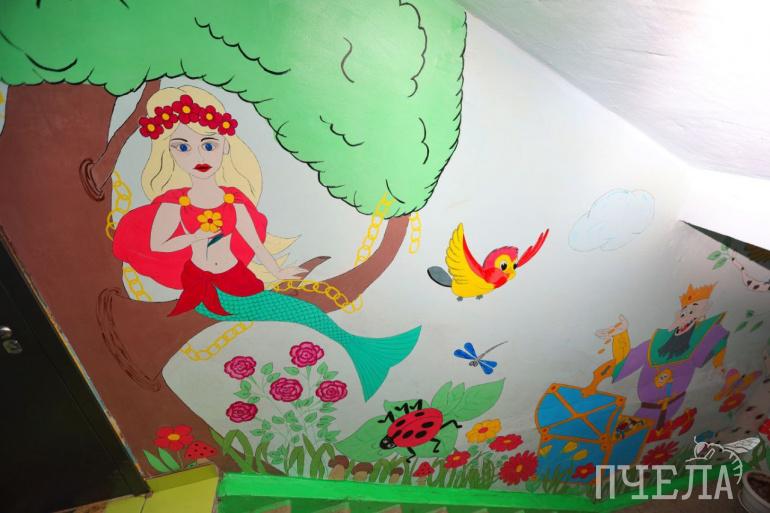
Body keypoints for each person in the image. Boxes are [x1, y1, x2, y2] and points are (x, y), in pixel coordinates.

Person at [113, 86, 419, 400]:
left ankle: (364, 352)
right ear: (170, 153)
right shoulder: (173, 203)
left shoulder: (234, 202)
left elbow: (257, 246)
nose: (199, 157)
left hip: (239, 281)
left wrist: (278, 272)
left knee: (298, 310)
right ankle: (365, 352)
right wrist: (194, 237)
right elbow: (160, 244)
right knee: (296, 310)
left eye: (208, 145)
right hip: (208, 290)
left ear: (224, 147)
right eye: (183, 147)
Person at [583, 284, 727, 429]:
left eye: (693, 310)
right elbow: (627, 360)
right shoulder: (656, 342)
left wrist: (718, 364)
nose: (687, 314)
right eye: (684, 311)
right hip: (647, 409)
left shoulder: (701, 339)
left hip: (673, 406)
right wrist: (621, 335)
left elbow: (719, 342)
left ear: (702, 314)